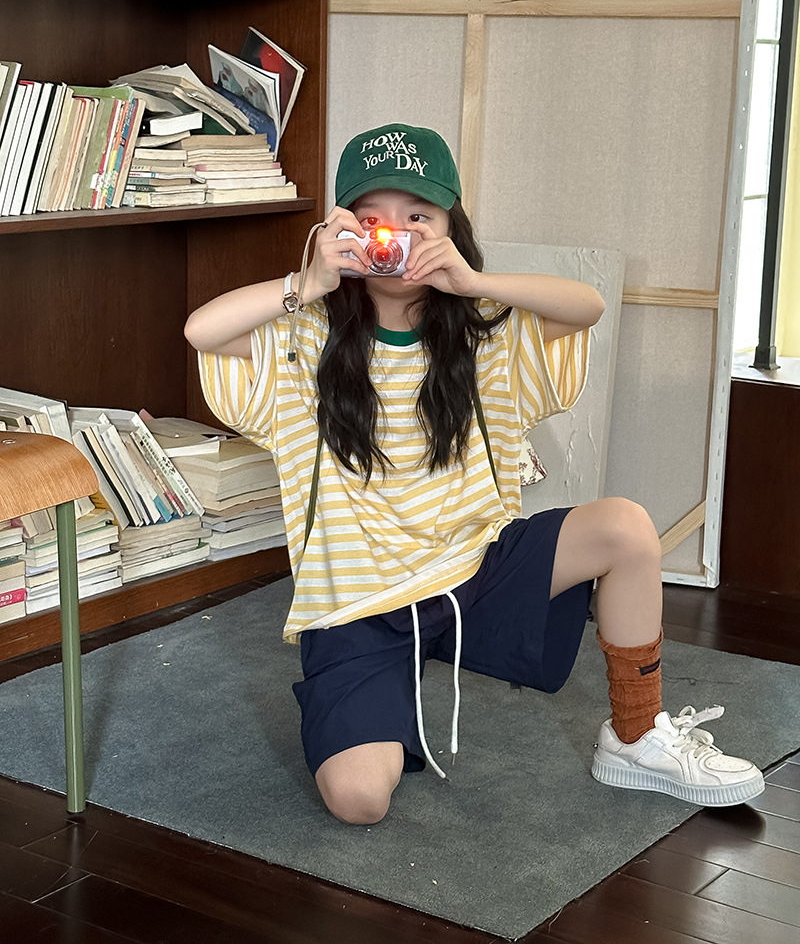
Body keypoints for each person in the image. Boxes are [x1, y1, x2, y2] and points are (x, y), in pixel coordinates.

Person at [184, 122, 764, 825]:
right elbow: (201, 330)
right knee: (360, 800)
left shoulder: (487, 330)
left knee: (626, 527)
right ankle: (383, 688)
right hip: (356, 602)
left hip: (474, 573)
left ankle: (637, 738)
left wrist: (473, 281)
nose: (394, 236)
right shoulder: (303, 335)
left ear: (450, 228)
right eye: (372, 218)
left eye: (418, 217)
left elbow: (588, 304)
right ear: (340, 231)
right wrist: (307, 282)